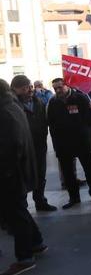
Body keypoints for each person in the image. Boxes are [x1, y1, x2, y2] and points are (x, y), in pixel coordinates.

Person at [0, 79, 47, 275]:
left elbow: (10, 144)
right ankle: (36, 242)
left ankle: (25, 257)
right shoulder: (12, 106)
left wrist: (7, 170)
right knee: (19, 210)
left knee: (15, 213)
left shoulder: (5, 111)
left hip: (10, 172)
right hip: (18, 169)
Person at [47, 78, 91, 209]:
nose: (58, 90)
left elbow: (90, 120)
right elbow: (51, 124)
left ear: (66, 85)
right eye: (55, 88)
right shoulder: (53, 103)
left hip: (81, 141)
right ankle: (74, 198)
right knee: (68, 173)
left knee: (89, 169)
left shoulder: (80, 98)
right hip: (63, 144)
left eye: (60, 87)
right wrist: (56, 145)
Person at [10, 76, 56, 212]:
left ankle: (40, 201)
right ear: (15, 90)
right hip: (21, 148)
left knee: (40, 175)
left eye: (30, 86)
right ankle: (21, 207)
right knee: (21, 177)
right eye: (24, 88)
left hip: (39, 145)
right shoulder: (12, 105)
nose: (29, 90)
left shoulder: (38, 102)